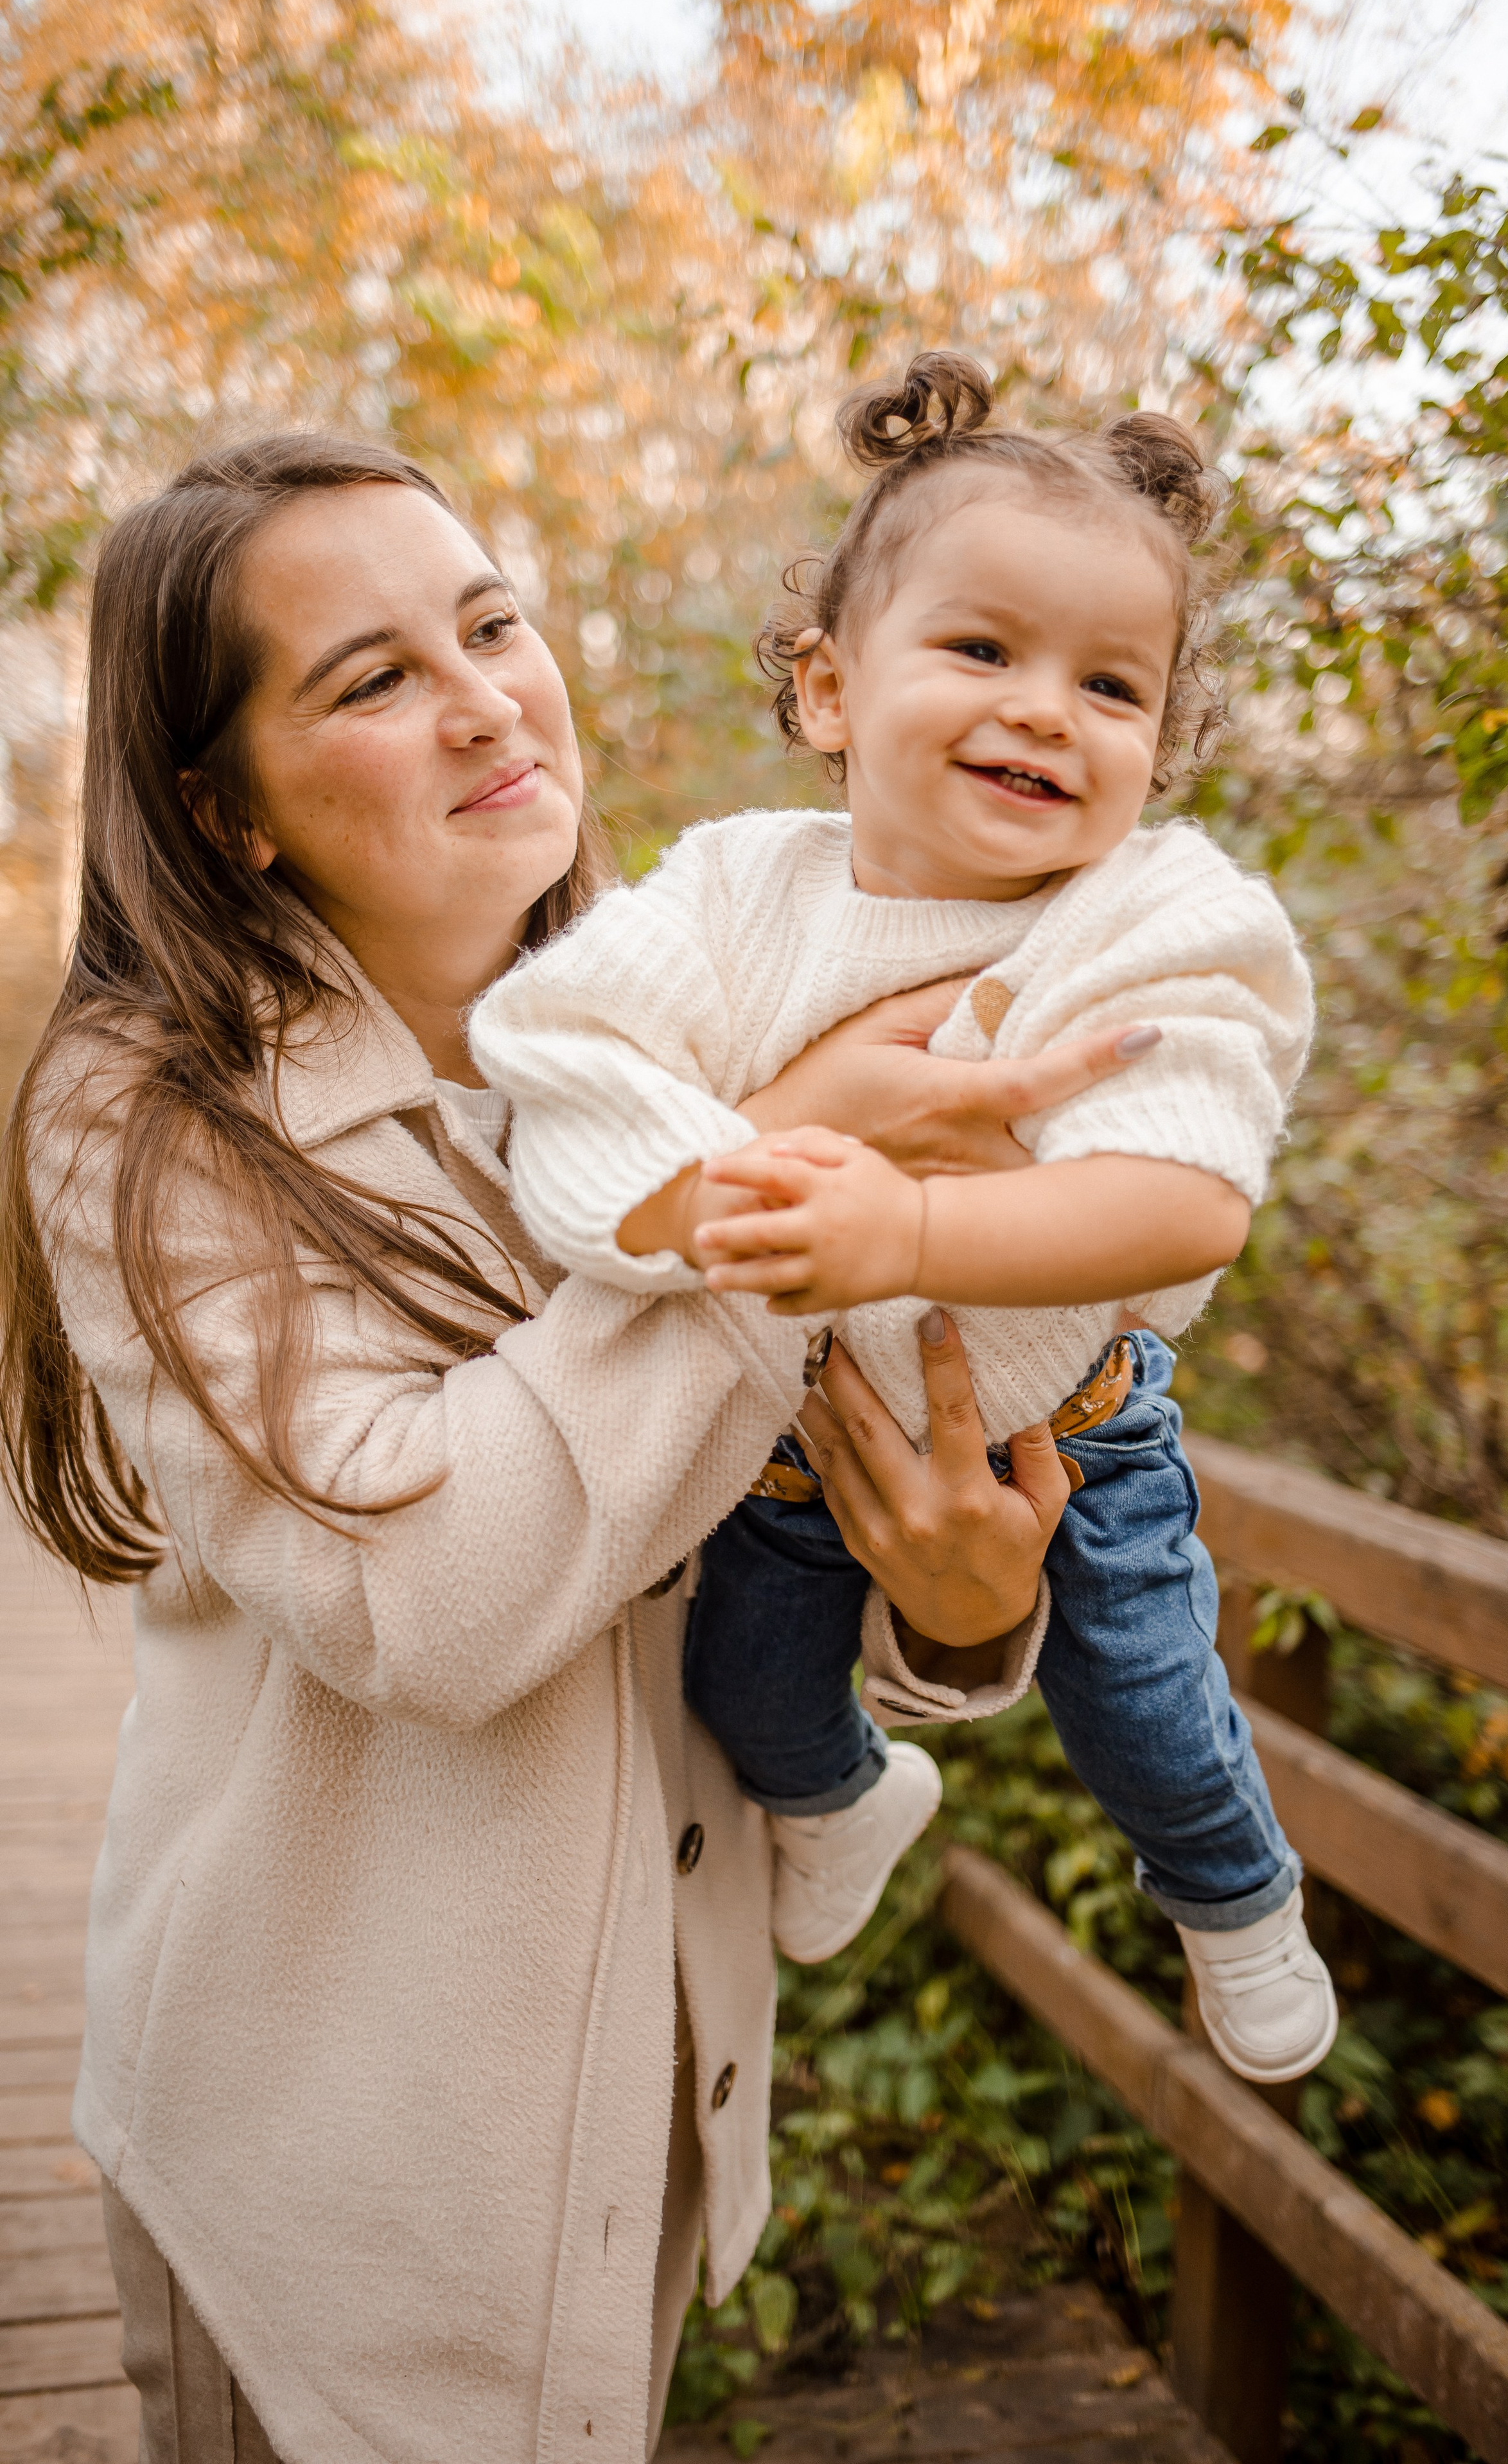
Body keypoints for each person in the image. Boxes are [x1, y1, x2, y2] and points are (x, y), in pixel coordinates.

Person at [0, 434, 1152, 2463]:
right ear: (223, 807)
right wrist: (786, 1173)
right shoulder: (152, 1121)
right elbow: (425, 1597)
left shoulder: (688, 1008)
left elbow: (804, 1501)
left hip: (642, 2101)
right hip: (341, 2195)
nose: (484, 700)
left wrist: (965, 1623)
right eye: (368, 680)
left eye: (491, 622)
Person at [471, 351, 1338, 2088]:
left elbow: (1183, 1198)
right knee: (748, 1694)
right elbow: (561, 1060)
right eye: (982, 649)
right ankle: (850, 1802)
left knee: (1156, 1722)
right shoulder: (735, 890)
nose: (1046, 710)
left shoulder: (1157, 913)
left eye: (1113, 684)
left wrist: (907, 1242)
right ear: (826, 689)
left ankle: (1238, 1898)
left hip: (1079, 1444)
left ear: (1160, 748)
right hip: (789, 1450)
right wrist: (718, 1194)